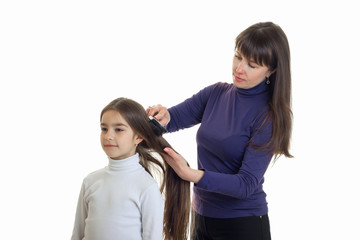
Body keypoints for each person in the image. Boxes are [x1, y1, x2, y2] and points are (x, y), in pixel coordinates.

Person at [146, 22, 293, 240]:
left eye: (252, 65)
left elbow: (245, 184)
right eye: (238, 56)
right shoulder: (216, 93)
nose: (239, 68)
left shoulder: (268, 117)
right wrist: (163, 117)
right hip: (201, 218)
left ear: (271, 70)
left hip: (242, 225)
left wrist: (190, 175)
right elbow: (174, 118)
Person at [71, 97, 191, 240]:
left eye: (119, 129)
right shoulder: (90, 181)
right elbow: (77, 234)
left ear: (138, 137)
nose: (108, 136)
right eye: (104, 129)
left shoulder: (146, 187)